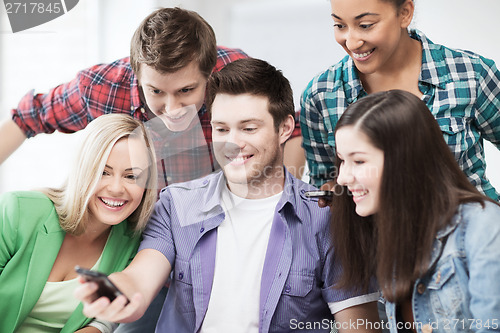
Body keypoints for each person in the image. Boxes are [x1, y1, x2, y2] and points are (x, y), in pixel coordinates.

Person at [74, 58, 381, 333]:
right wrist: (117, 290)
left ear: (285, 127)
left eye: (248, 128)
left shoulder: (326, 215)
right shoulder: (176, 204)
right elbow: (140, 278)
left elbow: (359, 324)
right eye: (221, 129)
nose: (232, 144)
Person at [0, 7, 305, 181]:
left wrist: (277, 193)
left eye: (186, 90)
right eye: (156, 91)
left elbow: (291, 128)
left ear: (209, 73)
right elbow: (28, 117)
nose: (172, 107)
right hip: (138, 230)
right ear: (137, 73)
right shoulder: (101, 87)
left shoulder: (233, 73)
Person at [331, 90, 500, 333]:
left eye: (358, 161)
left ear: (405, 160)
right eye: (341, 160)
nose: (343, 177)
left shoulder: (482, 227)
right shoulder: (386, 232)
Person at [300, 0, 500, 204]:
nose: (351, 43)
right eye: (340, 25)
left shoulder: (470, 74)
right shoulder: (321, 95)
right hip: (380, 235)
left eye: (365, 25)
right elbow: (324, 183)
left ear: (405, 13)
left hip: (473, 230)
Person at [0, 114, 158, 332]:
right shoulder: (17, 211)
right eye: (103, 172)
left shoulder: (134, 244)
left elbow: (103, 322)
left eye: (131, 177)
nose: (116, 188)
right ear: (83, 170)